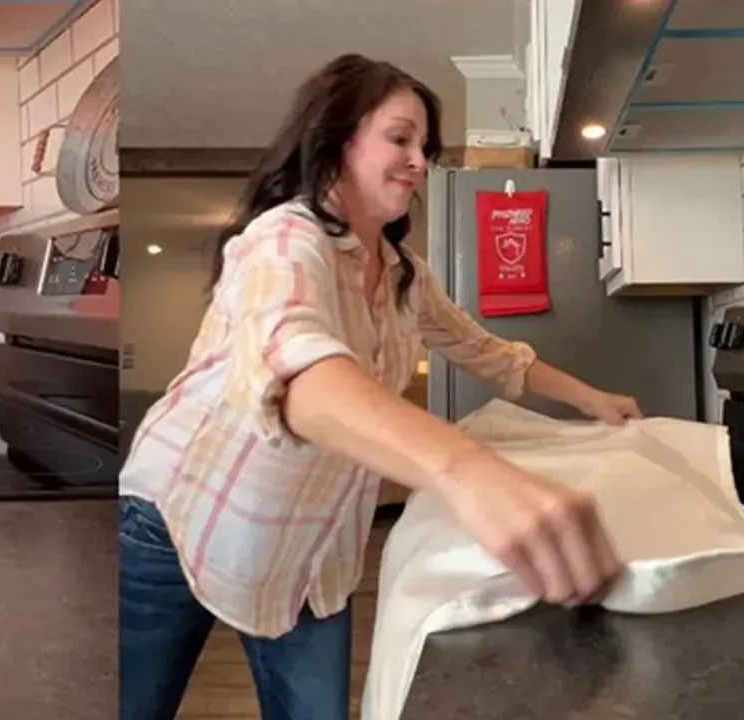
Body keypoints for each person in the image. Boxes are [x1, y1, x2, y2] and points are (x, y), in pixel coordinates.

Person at [118, 54, 641, 720]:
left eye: (424, 147)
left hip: (312, 550)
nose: (420, 161)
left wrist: (593, 400)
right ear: (336, 140)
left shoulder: (404, 275)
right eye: (400, 138)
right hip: (176, 520)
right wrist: (467, 472)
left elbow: (491, 354)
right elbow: (298, 369)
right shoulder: (283, 239)